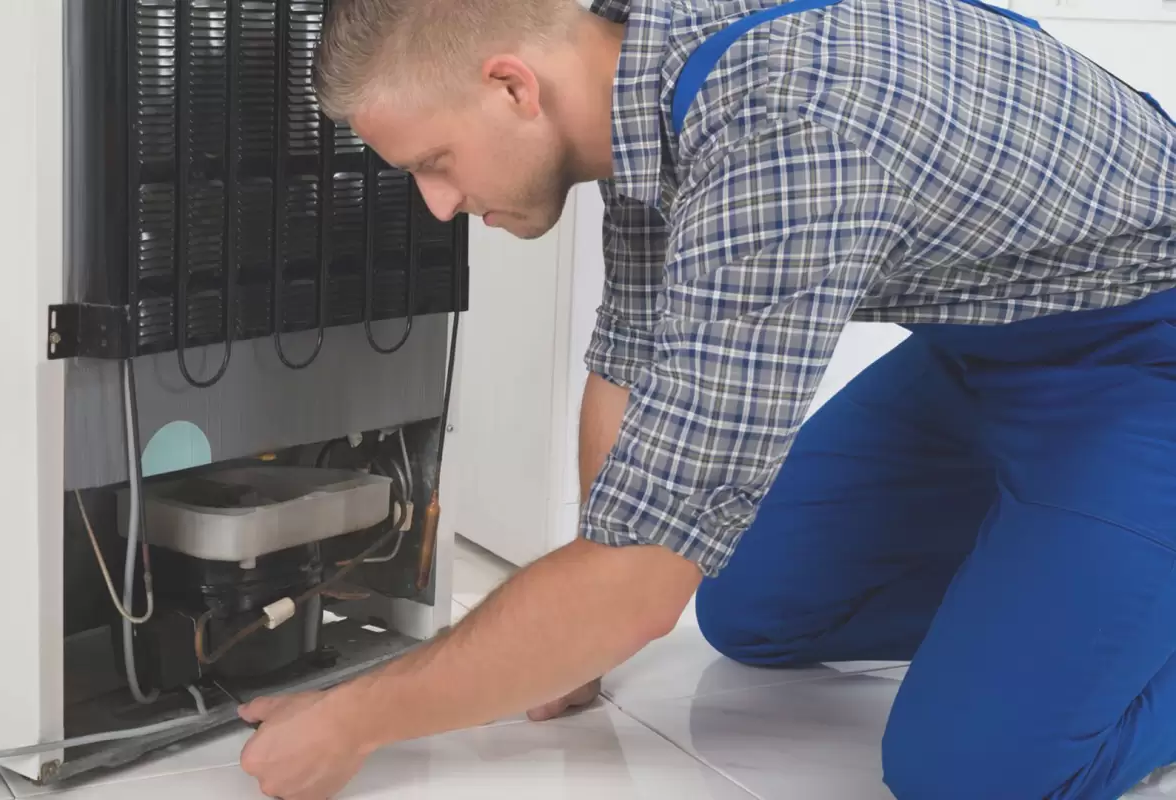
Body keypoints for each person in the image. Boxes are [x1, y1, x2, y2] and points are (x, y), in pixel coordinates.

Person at [235, 0, 1176, 797]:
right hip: (988, 348)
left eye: (433, 162)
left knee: (968, 769)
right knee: (752, 608)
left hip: (1145, 358)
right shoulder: (638, 67)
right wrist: (575, 639)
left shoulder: (785, 138)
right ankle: (1071, 579)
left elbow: (639, 582)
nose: (436, 205)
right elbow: (630, 364)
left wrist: (357, 718)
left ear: (513, 86)